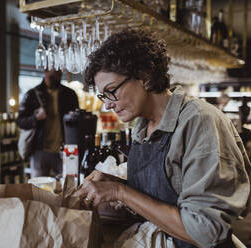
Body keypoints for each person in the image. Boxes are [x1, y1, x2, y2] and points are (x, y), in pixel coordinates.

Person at [74, 28, 251, 248]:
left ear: (145, 77)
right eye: (103, 96)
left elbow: (206, 230)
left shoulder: (199, 122)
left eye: (112, 91)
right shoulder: (143, 127)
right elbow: (162, 198)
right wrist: (114, 184)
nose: (107, 104)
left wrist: (120, 192)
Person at [17, 69, 79, 178]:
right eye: (52, 75)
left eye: (58, 74)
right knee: (39, 189)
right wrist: (35, 118)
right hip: (40, 150)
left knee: (66, 186)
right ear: (45, 72)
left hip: (64, 150)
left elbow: (77, 122)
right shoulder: (32, 95)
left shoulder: (69, 94)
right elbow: (20, 122)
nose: (55, 77)